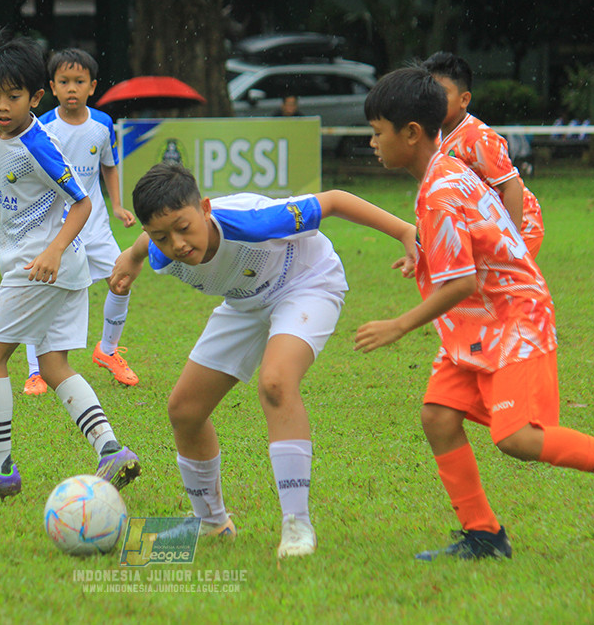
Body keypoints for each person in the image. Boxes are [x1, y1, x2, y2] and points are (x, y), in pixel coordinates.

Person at [355, 66, 594, 560]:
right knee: (437, 416)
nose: (372, 143)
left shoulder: (441, 189)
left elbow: (463, 282)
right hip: (477, 322)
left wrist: (399, 324)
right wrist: (422, 252)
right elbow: (465, 249)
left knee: (517, 437)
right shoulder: (442, 173)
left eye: (376, 132)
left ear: (411, 134)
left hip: (514, 317)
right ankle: (484, 536)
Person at [109, 163, 417, 558]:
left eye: (184, 227)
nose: (177, 244)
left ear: (205, 208)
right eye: (162, 236)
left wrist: (406, 232)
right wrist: (131, 261)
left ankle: (297, 525)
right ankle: (212, 524)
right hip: (246, 302)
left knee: (276, 382)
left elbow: (336, 201)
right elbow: (142, 245)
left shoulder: (251, 223)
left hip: (306, 281)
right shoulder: (160, 252)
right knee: (185, 410)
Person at [0, 30, 141, 500]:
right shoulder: (3, 132)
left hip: (38, 268)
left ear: (35, 97)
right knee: (54, 363)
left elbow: (81, 204)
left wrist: (54, 249)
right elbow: (4, 169)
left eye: (14, 97)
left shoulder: (38, 142)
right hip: (62, 270)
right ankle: (111, 451)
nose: (3, 105)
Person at [18, 48, 140, 397]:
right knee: (43, 293)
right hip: (55, 227)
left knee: (122, 279)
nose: (72, 88)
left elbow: (109, 165)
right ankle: (35, 372)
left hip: (96, 225)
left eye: (79, 81)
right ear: (53, 88)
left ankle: (108, 349)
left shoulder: (102, 124)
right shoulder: (43, 127)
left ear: (92, 86)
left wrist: (117, 205)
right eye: (64, 81)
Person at [422, 52, 545, 257]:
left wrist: (511, 240)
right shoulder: (435, 138)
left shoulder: (477, 139)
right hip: (482, 230)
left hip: (521, 228)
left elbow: (511, 186)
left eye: (441, 94)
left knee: (501, 287)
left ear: (464, 99)